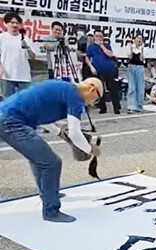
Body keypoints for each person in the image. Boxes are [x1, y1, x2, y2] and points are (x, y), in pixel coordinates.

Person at [0, 78, 103, 223]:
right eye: (96, 99)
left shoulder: (64, 89)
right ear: (92, 89)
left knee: (39, 159)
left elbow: (42, 114)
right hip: (12, 121)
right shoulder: (76, 96)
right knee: (51, 163)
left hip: (8, 116)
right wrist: (91, 149)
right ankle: (51, 210)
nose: (92, 103)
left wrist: (60, 133)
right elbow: (75, 133)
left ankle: (49, 194)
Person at [0, 12, 36, 97]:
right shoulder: (2, 37)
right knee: (7, 101)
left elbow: (33, 56)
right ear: (6, 23)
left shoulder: (25, 38)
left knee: (24, 101)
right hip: (7, 76)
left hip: (24, 76)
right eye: (12, 22)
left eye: (17, 23)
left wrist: (27, 48)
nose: (15, 25)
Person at [86, 30, 121, 114]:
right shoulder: (91, 47)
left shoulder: (106, 45)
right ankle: (102, 107)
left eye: (100, 36)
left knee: (113, 89)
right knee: (99, 89)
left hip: (110, 70)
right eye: (96, 36)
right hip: (98, 71)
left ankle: (116, 107)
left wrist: (101, 45)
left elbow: (110, 54)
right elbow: (87, 58)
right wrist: (91, 67)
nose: (98, 38)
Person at [126, 34, 145, 114]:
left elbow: (141, 59)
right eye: (137, 38)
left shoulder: (143, 48)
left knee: (140, 87)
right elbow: (130, 57)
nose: (139, 40)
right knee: (131, 87)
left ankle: (139, 105)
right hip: (131, 67)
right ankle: (131, 106)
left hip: (140, 68)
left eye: (140, 39)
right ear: (134, 39)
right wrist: (131, 48)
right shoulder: (130, 47)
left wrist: (141, 50)